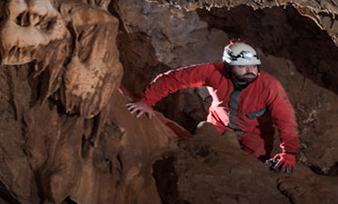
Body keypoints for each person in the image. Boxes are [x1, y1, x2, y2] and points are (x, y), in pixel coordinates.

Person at [128, 41, 301, 172]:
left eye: (254, 66)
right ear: (228, 66)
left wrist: (289, 152)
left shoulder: (269, 86)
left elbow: (286, 120)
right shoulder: (213, 72)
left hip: (255, 135)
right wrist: (146, 101)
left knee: (252, 170)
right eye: (242, 67)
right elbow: (174, 78)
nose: (250, 71)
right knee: (205, 160)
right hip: (218, 126)